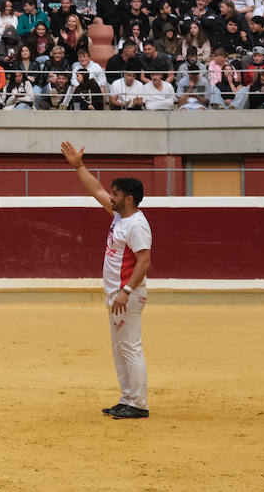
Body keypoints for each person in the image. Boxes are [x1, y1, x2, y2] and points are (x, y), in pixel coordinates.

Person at [61, 141, 152, 420]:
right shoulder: (119, 217)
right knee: (120, 347)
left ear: (129, 198)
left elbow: (145, 261)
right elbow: (95, 189)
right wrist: (78, 166)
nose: (110, 196)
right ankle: (128, 399)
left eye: (116, 194)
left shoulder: (136, 224)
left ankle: (138, 403)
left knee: (129, 346)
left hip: (127, 295)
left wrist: (125, 291)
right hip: (117, 295)